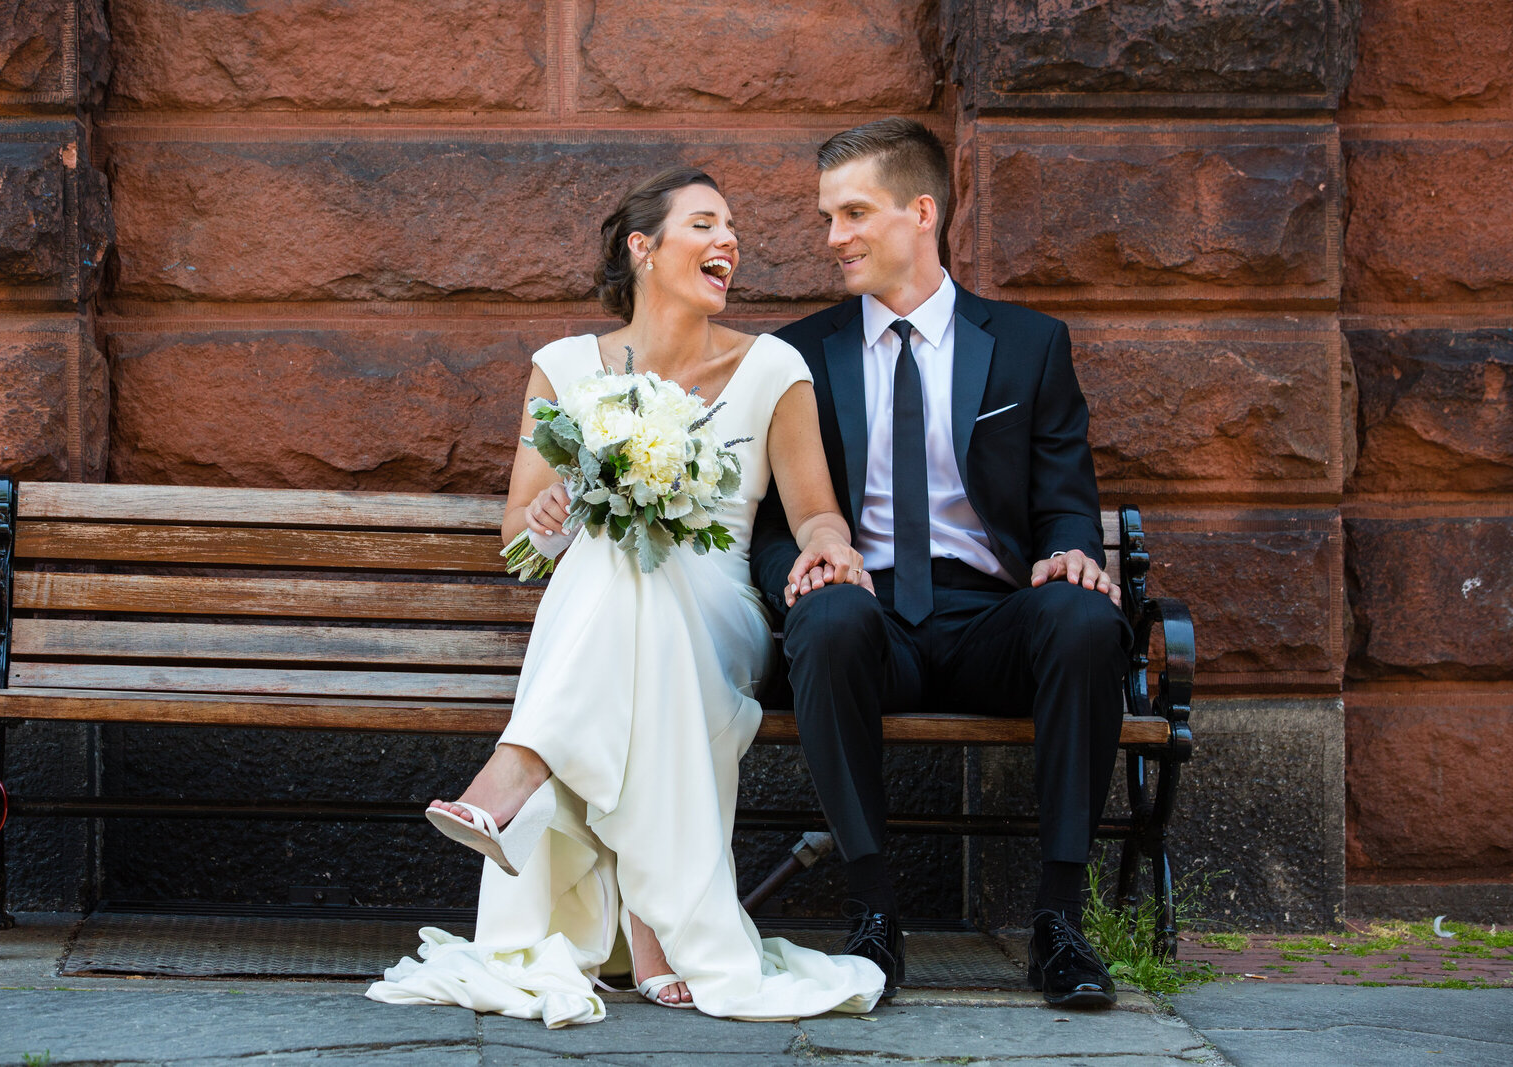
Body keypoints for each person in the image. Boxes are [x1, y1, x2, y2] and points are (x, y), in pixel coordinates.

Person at [367, 167, 885, 1025]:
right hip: (608, 601)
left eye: (733, 230)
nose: (730, 243)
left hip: (722, 610)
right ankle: (655, 921)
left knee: (646, 574)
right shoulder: (565, 367)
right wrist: (549, 512)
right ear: (644, 249)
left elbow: (814, 510)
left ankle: (517, 770)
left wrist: (831, 546)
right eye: (705, 225)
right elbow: (520, 541)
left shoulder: (772, 369)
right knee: (619, 557)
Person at [749, 119, 1132, 1009]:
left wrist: (1073, 553)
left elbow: (1066, 496)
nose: (831, 236)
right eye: (826, 216)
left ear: (921, 212)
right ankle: (874, 919)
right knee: (828, 616)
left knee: (1085, 618)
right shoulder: (799, 354)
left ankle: (1059, 925)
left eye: (852, 213)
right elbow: (766, 523)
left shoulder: (1031, 345)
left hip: (993, 618)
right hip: (870, 612)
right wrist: (803, 561)